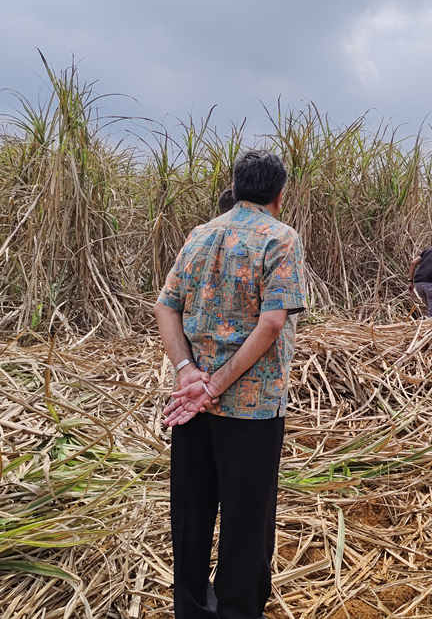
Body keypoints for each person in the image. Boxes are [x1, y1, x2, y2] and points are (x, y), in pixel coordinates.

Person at [154, 149, 307, 619]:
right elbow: (273, 323)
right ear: (280, 195)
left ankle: (193, 610)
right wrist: (215, 384)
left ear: (236, 188)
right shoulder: (280, 238)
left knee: (191, 515)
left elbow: (165, 306)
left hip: (192, 406)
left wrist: (187, 374)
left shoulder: (200, 235)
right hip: (253, 410)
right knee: (246, 521)